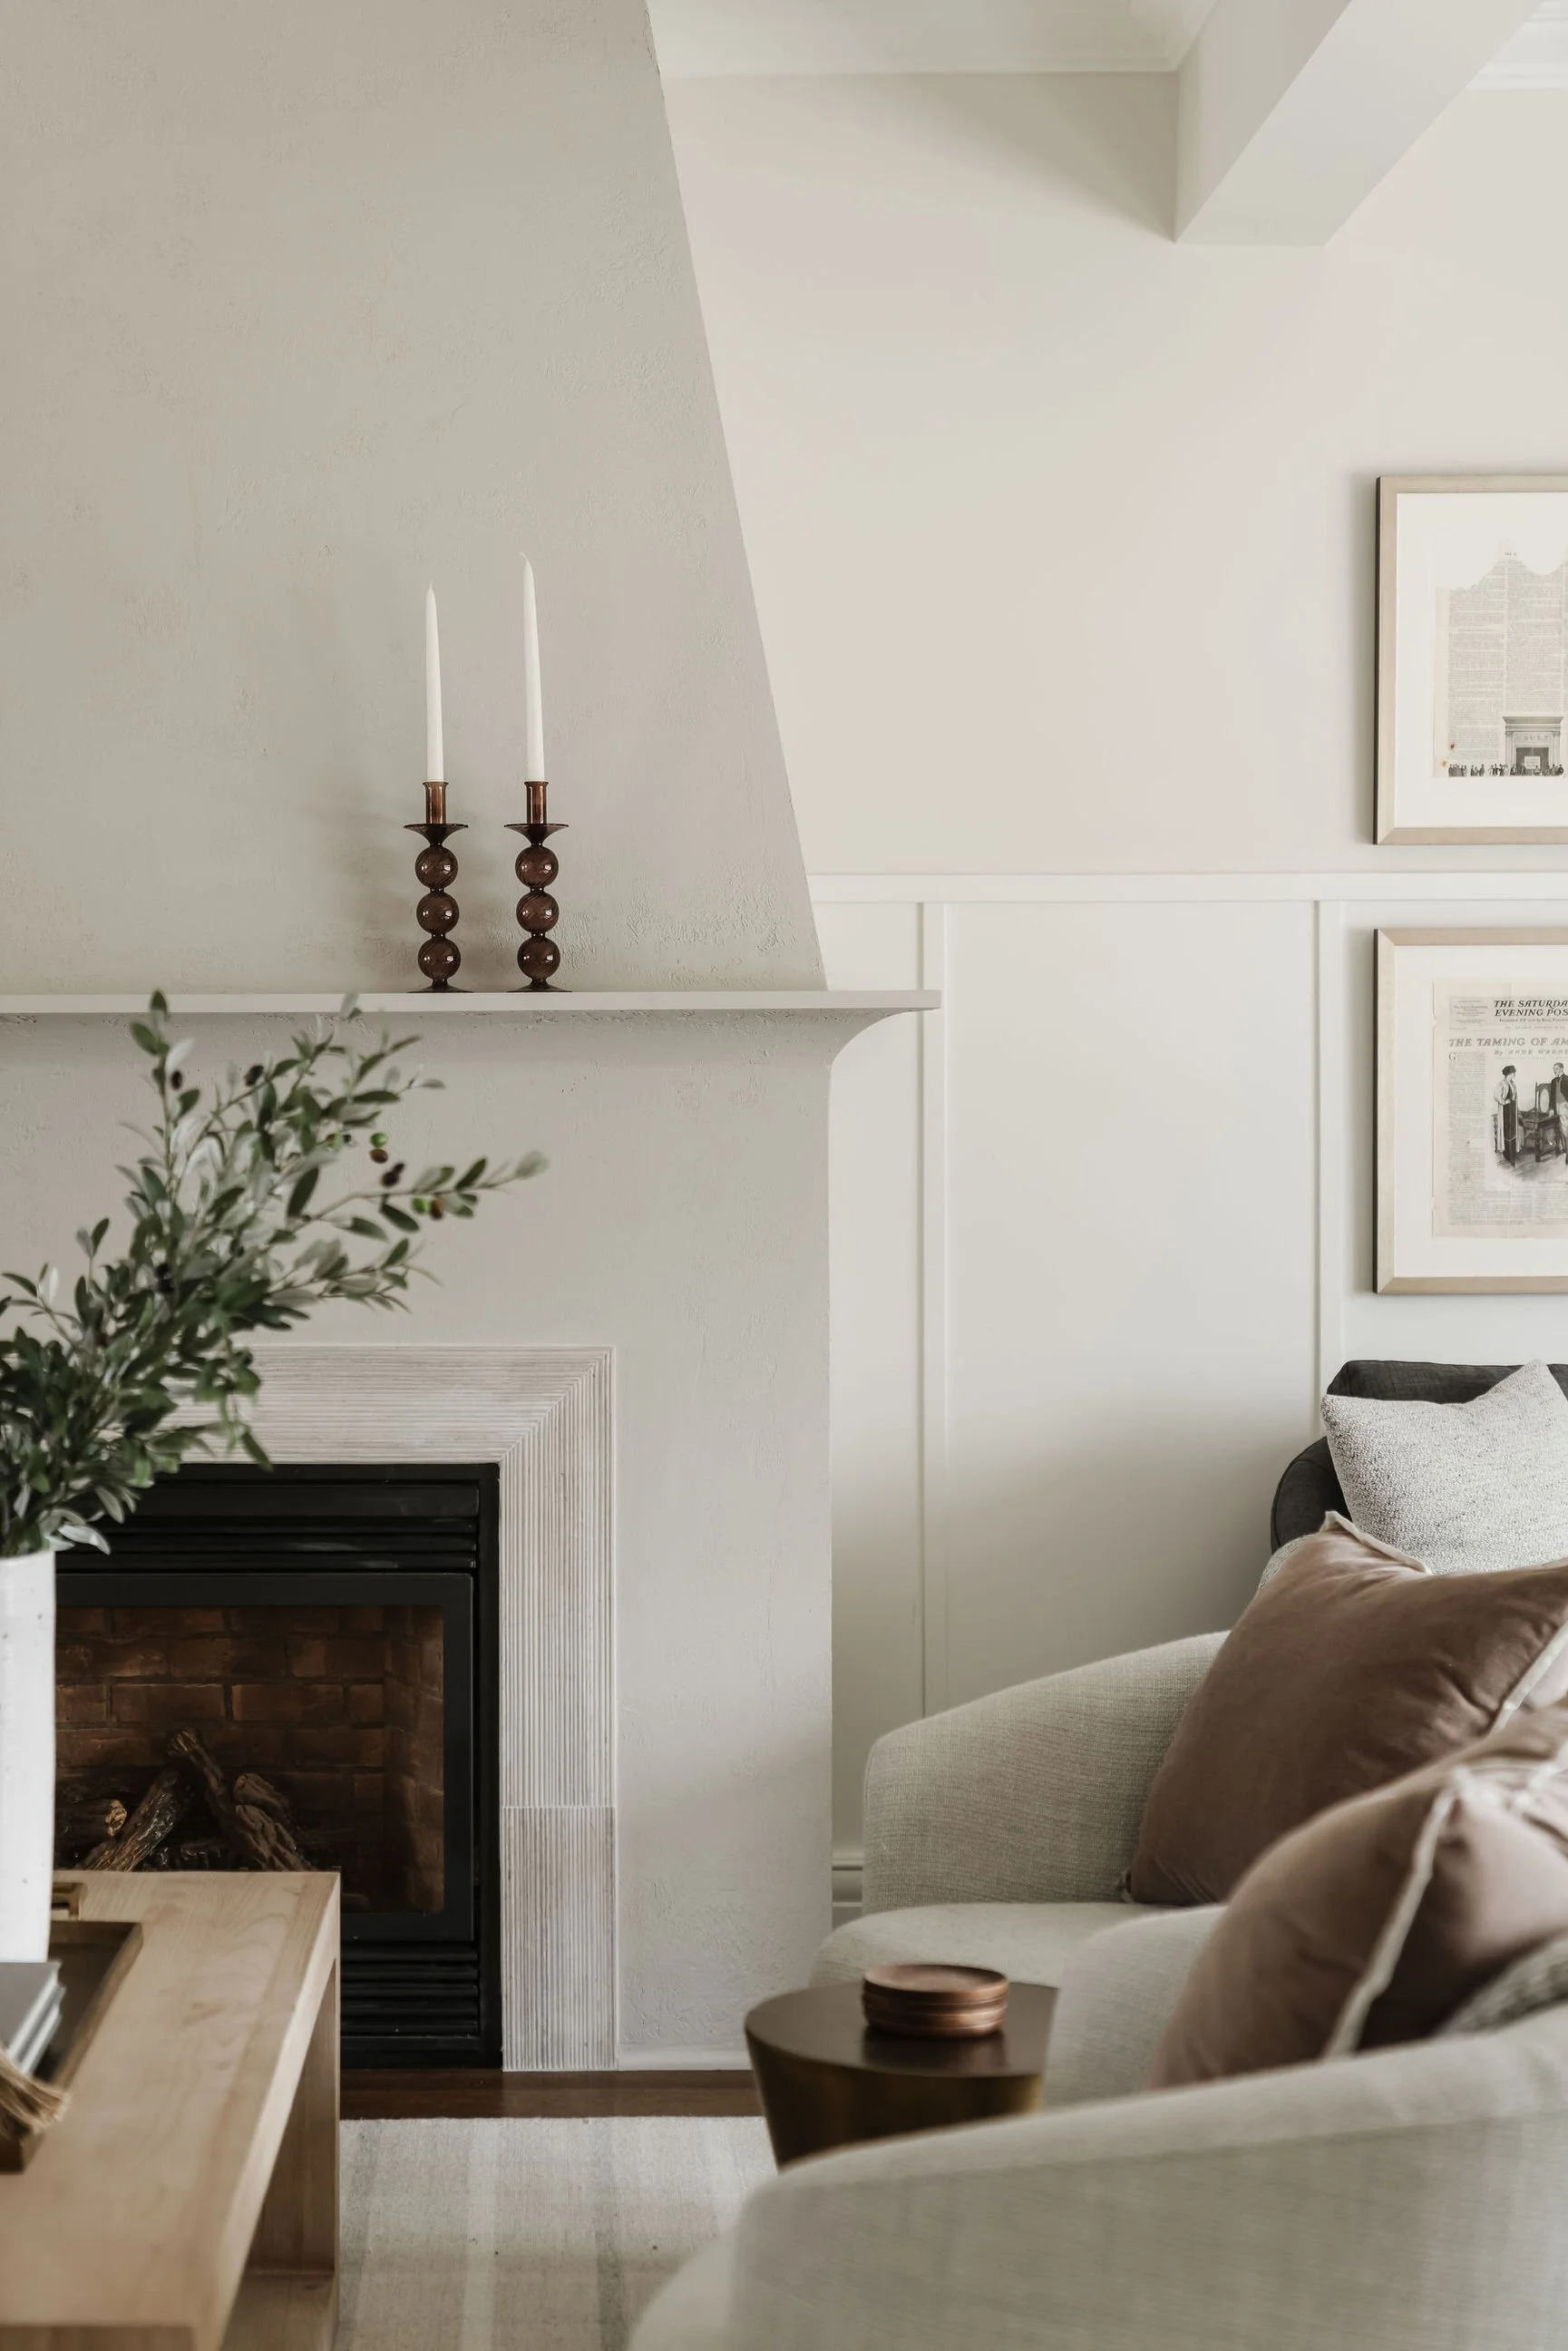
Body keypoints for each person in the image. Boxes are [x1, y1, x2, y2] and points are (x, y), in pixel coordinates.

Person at [1495, 1066, 1520, 1166]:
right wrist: (1504, 1101)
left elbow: (1515, 1097)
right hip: (1506, 1110)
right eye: (1513, 1072)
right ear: (1509, 1073)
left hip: (1512, 1110)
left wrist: (1517, 1110)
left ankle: (1513, 1155)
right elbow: (1496, 1095)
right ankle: (1508, 1155)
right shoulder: (1502, 1084)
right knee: (1507, 1131)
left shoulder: (1513, 1084)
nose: (1514, 1074)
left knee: (1513, 1130)